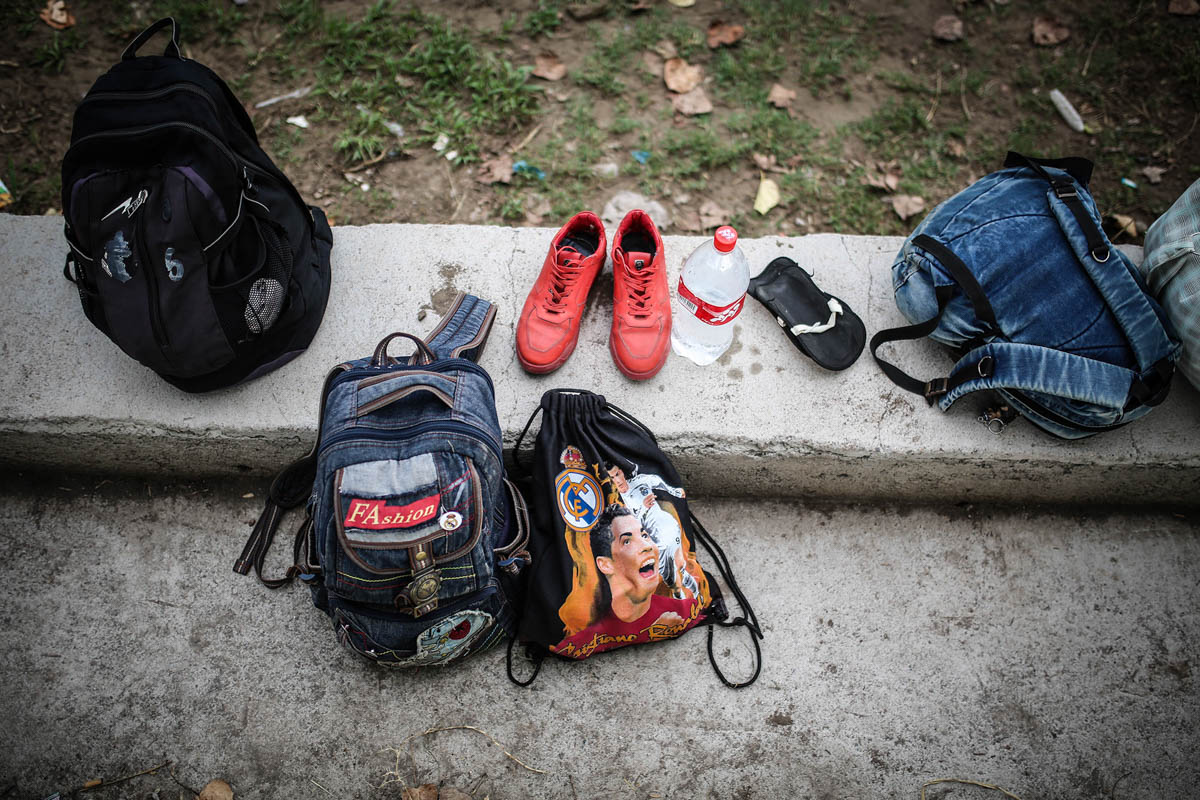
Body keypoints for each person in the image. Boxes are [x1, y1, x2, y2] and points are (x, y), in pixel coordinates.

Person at [551, 505, 700, 659]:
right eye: (627, 541)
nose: (647, 546)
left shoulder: (684, 610)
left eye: (645, 535)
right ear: (605, 564)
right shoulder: (580, 636)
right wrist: (651, 630)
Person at [604, 461, 700, 599]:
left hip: (668, 527)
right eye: (612, 478)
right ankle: (692, 599)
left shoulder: (638, 482)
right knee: (676, 575)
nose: (617, 480)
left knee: (677, 572)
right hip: (655, 539)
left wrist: (673, 491)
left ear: (622, 472)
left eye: (617, 474)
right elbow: (630, 525)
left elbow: (656, 481)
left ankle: (691, 601)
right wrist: (643, 508)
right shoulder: (619, 502)